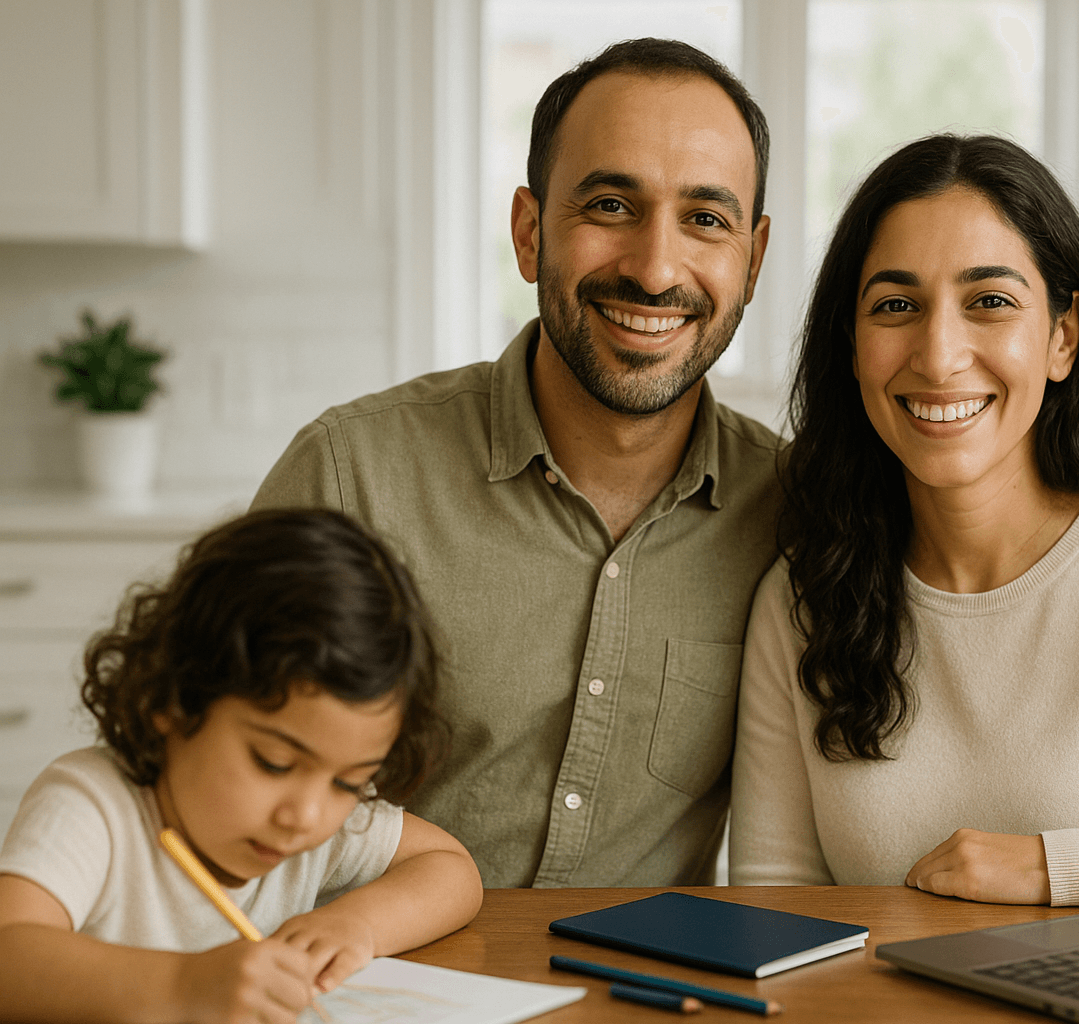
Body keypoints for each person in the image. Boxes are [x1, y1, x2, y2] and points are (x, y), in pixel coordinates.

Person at [250, 39, 781, 888]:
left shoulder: (794, 510)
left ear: (752, 262)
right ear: (530, 234)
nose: (654, 268)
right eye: (610, 205)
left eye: (706, 219)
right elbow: (209, 792)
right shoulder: (351, 478)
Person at [729, 134, 1079, 907]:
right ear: (853, 344)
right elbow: (776, 904)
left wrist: (1047, 868)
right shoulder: (799, 601)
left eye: (990, 302)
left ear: (1063, 336)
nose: (938, 356)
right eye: (895, 306)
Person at [0, 508, 483, 1024]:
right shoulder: (92, 807)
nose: (307, 816)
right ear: (174, 699)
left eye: (350, 781)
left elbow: (452, 870)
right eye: (274, 763)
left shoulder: (318, 825)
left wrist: (356, 924)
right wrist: (181, 986)